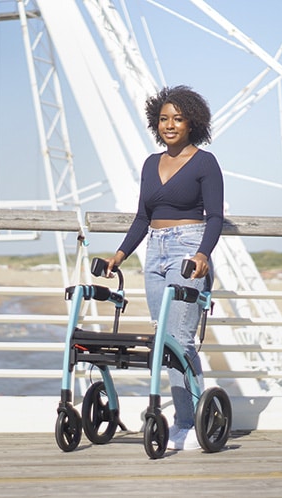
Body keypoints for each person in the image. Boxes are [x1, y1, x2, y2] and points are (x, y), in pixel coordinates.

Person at [103, 85, 224, 451]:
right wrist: (120, 255)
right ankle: (191, 417)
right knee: (163, 340)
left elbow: (216, 217)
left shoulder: (205, 163)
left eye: (178, 119)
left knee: (179, 341)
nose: (170, 125)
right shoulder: (150, 164)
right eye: (164, 119)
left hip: (189, 250)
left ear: (192, 123)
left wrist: (203, 254)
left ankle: (188, 423)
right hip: (153, 253)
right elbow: (143, 217)